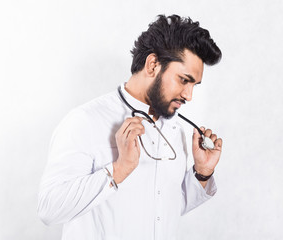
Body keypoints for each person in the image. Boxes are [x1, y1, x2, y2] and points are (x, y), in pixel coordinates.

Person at [38, 14, 223, 240]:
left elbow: (165, 209)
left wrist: (202, 173)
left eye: (194, 85)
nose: (189, 95)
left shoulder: (176, 130)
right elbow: (49, 208)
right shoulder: (85, 121)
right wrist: (119, 170)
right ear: (153, 64)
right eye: (184, 80)